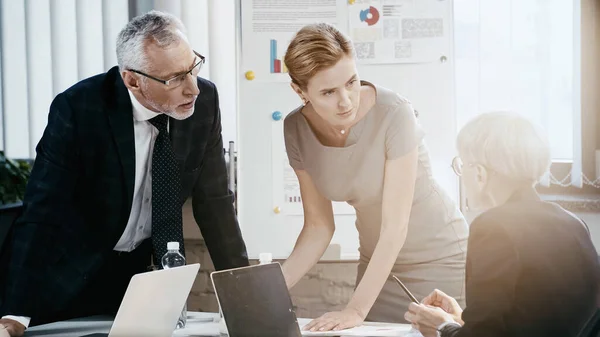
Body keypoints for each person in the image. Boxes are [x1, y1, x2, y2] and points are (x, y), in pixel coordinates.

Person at [0, 10, 249, 336]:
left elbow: (214, 202)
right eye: (175, 78)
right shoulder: (79, 109)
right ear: (132, 80)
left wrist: (244, 299)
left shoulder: (205, 100)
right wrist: (15, 313)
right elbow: (43, 211)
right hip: (70, 274)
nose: (193, 89)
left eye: (193, 68)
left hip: (142, 278)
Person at [281, 23, 469, 331]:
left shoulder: (394, 112)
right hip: (379, 267)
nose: (346, 101)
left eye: (351, 82)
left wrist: (355, 309)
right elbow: (318, 226)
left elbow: (395, 225)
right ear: (300, 91)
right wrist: (267, 293)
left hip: (440, 259)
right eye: (328, 92)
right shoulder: (296, 129)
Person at [404, 112, 600, 337]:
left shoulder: (493, 228)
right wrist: (462, 319)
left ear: (479, 173)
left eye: (461, 164)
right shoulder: (574, 224)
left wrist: (442, 328)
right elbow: (537, 317)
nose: (461, 174)